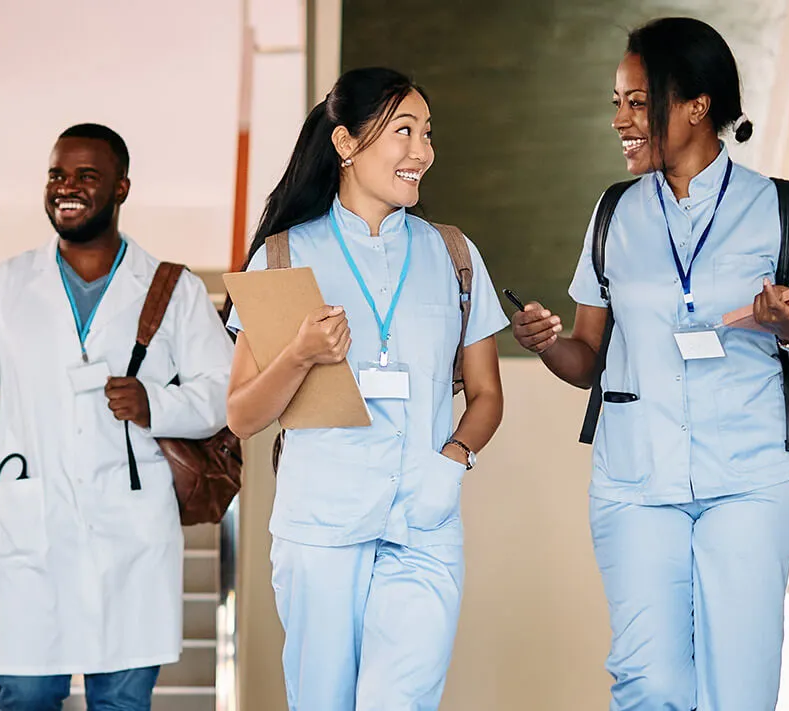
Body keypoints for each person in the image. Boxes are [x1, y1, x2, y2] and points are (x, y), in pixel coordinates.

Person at [509, 17, 789, 710]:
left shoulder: (776, 208)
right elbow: (588, 358)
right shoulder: (614, 212)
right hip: (636, 479)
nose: (620, 120)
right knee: (648, 682)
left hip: (748, 480)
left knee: (738, 690)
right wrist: (547, 343)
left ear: (697, 105)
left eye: (636, 101)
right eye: (617, 102)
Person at [224, 67, 508, 710]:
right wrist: (298, 355)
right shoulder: (283, 255)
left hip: (423, 523)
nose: (422, 152)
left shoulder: (453, 253)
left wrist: (451, 464)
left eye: (427, 133)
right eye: (403, 131)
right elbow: (242, 414)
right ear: (347, 144)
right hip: (320, 529)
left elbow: (486, 395)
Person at [0, 124, 234, 711]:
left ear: (121, 188)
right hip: (31, 526)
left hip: (132, 536)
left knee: (121, 703)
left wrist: (157, 403)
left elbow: (224, 391)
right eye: (56, 175)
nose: (66, 187)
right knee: (25, 698)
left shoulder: (174, 289)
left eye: (85, 176)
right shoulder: (4, 287)